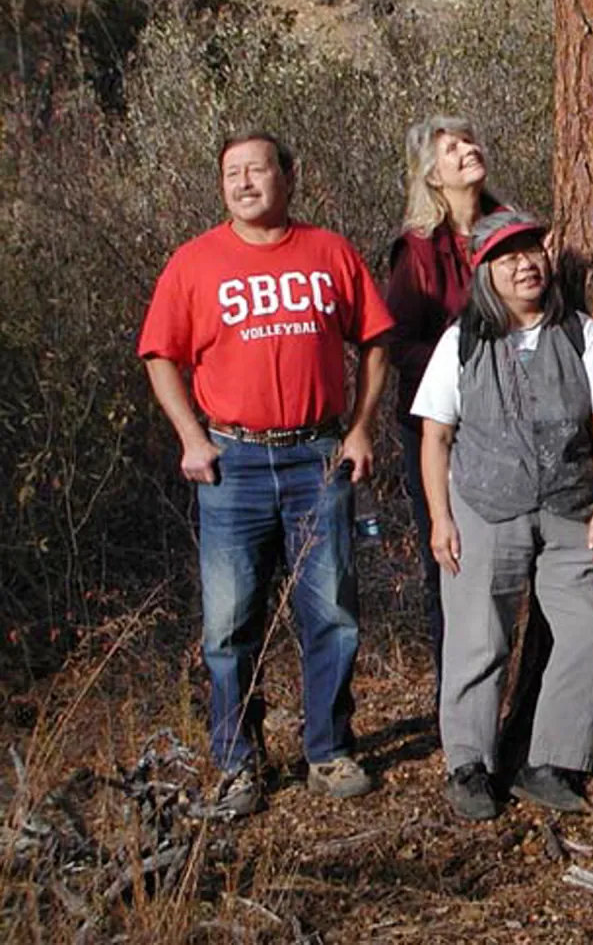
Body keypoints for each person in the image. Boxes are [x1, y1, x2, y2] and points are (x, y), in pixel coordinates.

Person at [138, 131, 393, 816]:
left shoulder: (328, 252)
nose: (245, 182)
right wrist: (192, 438)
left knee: (333, 615)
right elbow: (159, 354)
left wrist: (362, 426)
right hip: (233, 464)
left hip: (318, 457)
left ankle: (329, 750)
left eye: (258, 169)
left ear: (289, 175)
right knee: (228, 623)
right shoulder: (195, 263)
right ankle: (235, 764)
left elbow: (374, 341)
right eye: (232, 173)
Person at [412, 212, 593, 821]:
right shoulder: (463, 341)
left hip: (570, 510)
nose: (524, 265)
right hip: (483, 507)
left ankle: (550, 763)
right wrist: (440, 517)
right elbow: (435, 436)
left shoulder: (583, 333)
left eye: (531, 252)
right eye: (508, 258)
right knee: (479, 639)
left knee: (589, 637)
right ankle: (469, 765)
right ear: (487, 273)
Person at [384, 117, 507, 681]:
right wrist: (468, 367)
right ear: (431, 176)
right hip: (443, 436)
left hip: (516, 428)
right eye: (451, 149)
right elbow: (401, 346)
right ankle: (456, 708)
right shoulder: (417, 251)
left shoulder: (514, 231)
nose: (467, 151)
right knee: (453, 566)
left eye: (469, 142)